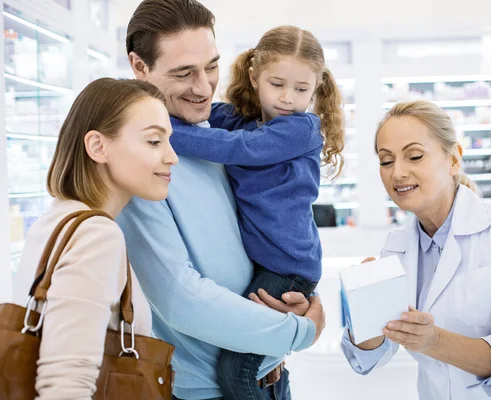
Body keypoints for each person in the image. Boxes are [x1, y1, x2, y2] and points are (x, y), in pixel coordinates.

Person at [117, 1, 326, 399]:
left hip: (271, 373)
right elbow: (182, 298)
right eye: (183, 73)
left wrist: (299, 311)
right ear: (140, 67)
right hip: (211, 388)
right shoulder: (139, 161)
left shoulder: (216, 131)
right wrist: (302, 329)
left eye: (211, 66)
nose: (202, 87)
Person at [168, 25, 344, 400]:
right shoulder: (244, 120)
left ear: (316, 88)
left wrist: (159, 130)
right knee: (251, 362)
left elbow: (237, 149)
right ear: (254, 76)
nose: (287, 98)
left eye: (301, 89)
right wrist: (149, 111)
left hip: (288, 267)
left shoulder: (301, 129)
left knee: (238, 370)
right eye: (277, 84)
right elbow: (204, 116)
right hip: (265, 264)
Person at [11, 78, 178, 399]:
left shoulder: (57, 219)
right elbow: (64, 387)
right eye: (155, 141)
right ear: (98, 146)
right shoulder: (96, 235)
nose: (172, 157)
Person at [340, 100, 491, 399]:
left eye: (414, 156)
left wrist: (433, 340)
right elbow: (368, 359)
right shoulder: (397, 249)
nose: (398, 173)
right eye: (386, 161)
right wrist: (364, 308)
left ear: (454, 159)